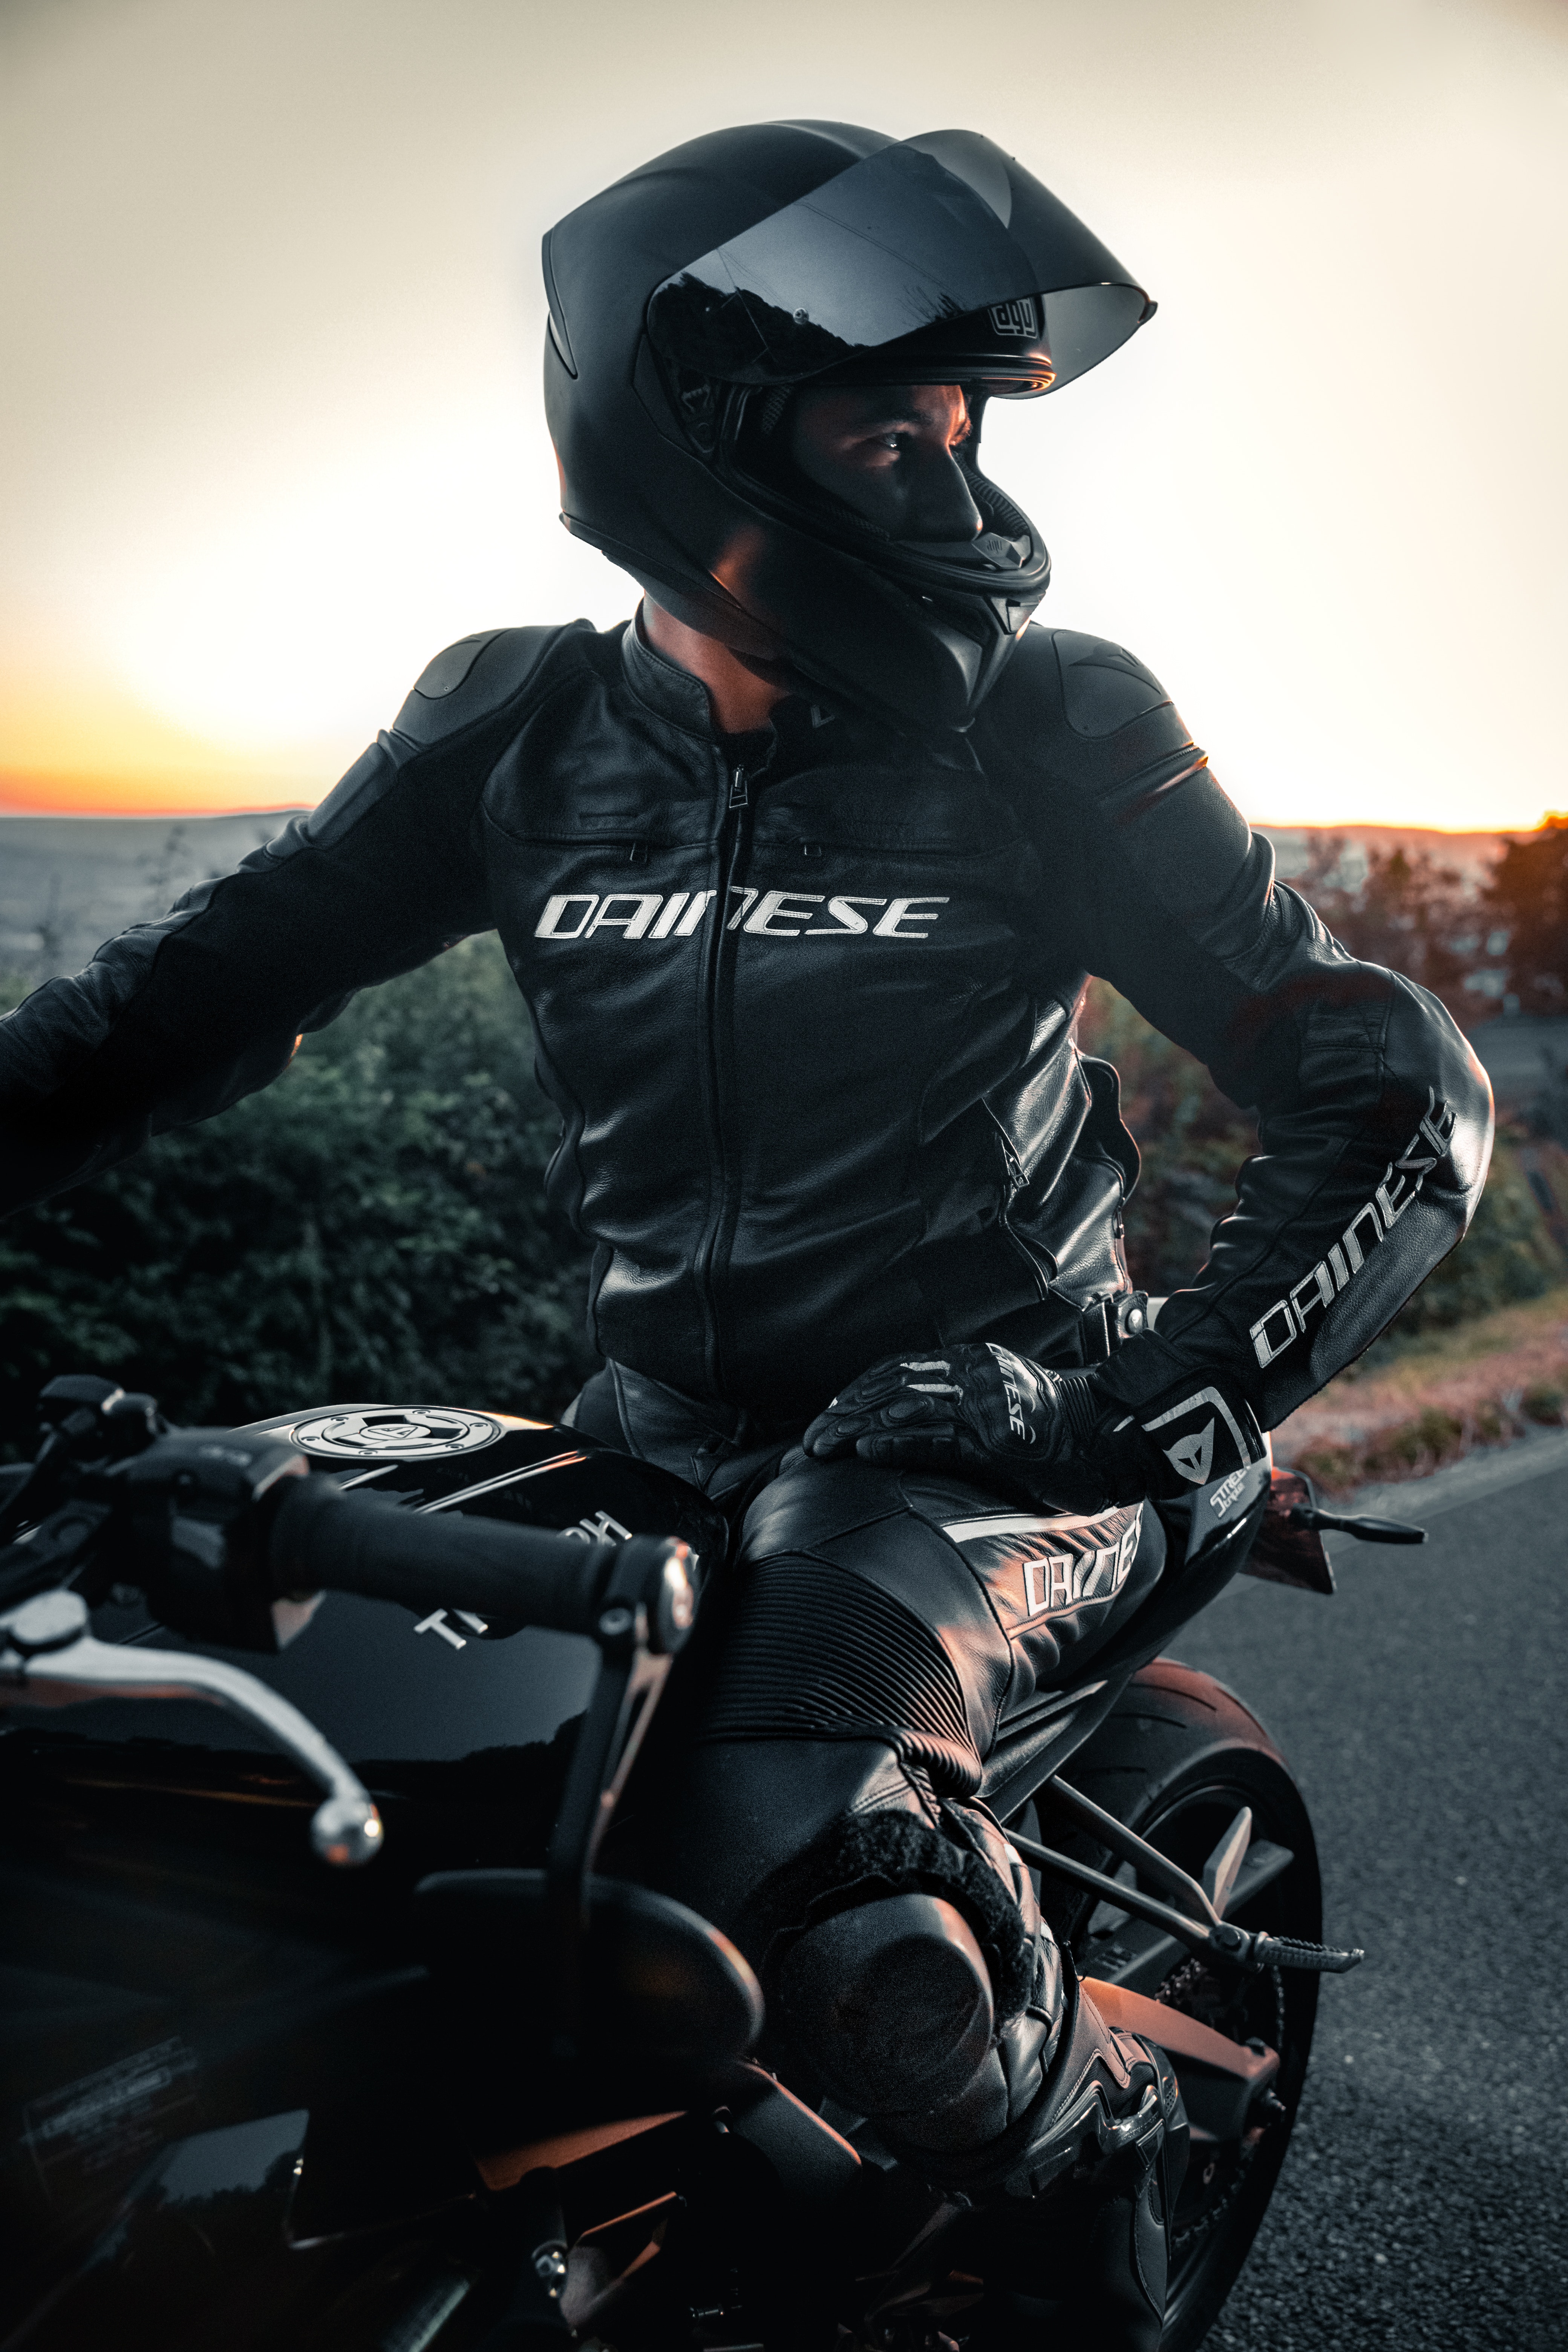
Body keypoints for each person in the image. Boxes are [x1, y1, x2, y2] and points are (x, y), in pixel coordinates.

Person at [0, 122, 1492, 2344]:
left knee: (799, 1881)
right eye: (887, 430)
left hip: (996, 1448)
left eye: (961, 432)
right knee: (201, 1731)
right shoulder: (510, 724)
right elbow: (168, 1011)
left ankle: (1084, 2137)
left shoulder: (1055, 724)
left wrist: (1119, 1406)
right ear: (687, 416)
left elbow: (1388, 1086)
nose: (956, 493)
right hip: (645, 1422)